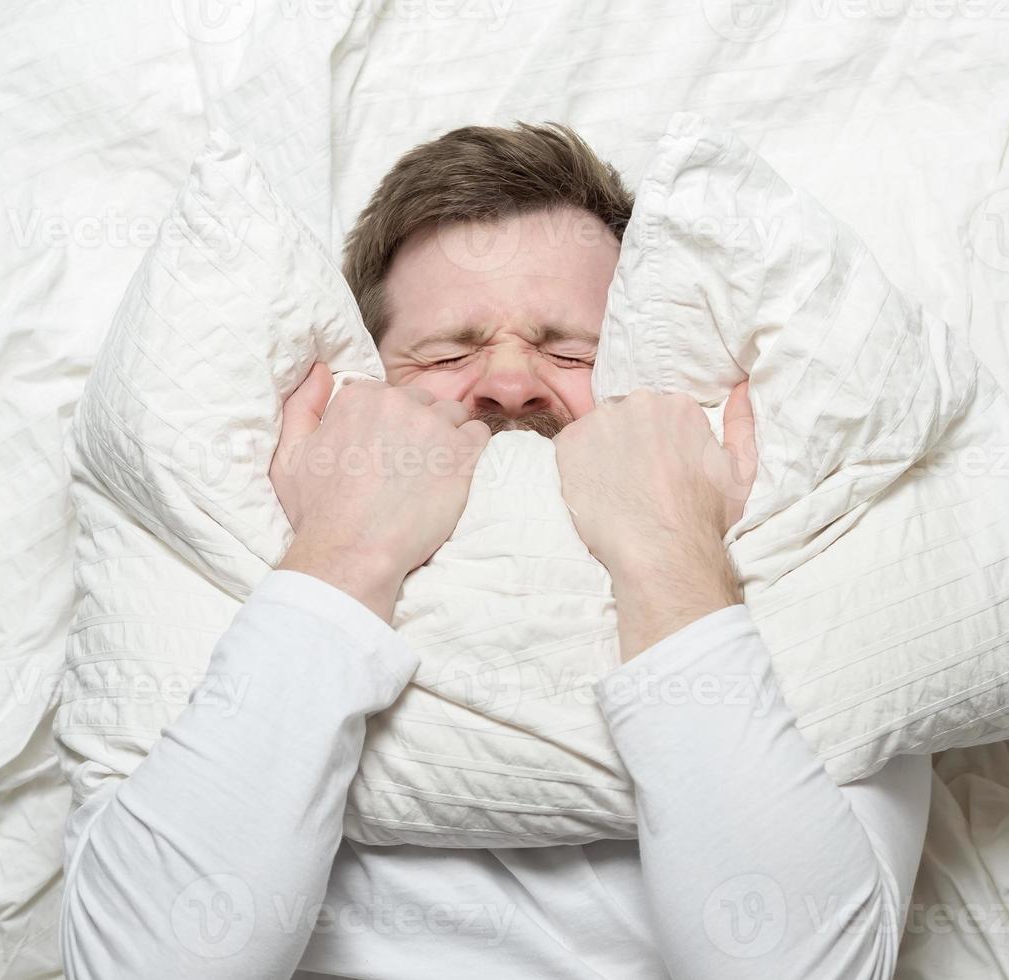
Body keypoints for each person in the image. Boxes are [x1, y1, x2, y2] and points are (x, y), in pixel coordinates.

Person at [59, 122, 932, 979]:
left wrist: (669, 553)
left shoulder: (801, 543)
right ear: (365, 381)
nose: (512, 384)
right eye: (447, 351)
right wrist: (344, 552)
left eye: (571, 351)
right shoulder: (226, 552)